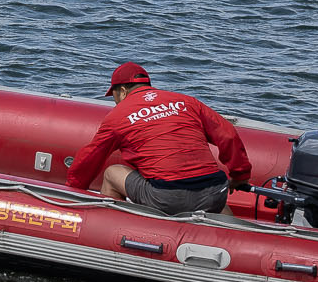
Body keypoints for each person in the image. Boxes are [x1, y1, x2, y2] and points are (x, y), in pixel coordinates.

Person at [63, 61, 250, 216]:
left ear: (122, 91)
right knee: (214, 201)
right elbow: (228, 134)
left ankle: (115, 233)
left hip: (168, 196)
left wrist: (73, 191)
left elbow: (90, 158)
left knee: (112, 173)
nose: (115, 101)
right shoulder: (187, 102)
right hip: (215, 193)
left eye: (114, 96)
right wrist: (240, 176)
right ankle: (232, 241)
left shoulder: (118, 116)